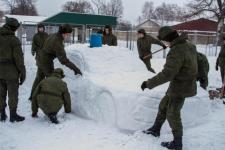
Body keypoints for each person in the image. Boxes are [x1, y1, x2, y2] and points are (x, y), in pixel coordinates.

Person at [141, 27, 198, 150]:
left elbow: (168, 74)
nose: (165, 44)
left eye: (164, 41)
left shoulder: (177, 51)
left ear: (168, 39)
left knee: (172, 114)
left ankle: (177, 143)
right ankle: (156, 129)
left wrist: (148, 83)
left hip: (180, 87)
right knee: (163, 106)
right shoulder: (189, 45)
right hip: (183, 84)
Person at [30, 24, 82, 98]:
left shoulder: (53, 35)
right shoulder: (57, 42)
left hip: (40, 58)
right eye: (68, 34)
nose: (68, 36)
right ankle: (51, 100)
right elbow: (64, 60)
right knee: (52, 81)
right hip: (46, 62)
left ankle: (32, 97)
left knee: (39, 78)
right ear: (64, 33)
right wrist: (75, 69)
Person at [0, 17, 26, 122]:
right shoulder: (14, 40)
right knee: (13, 94)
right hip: (11, 73)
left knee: (0, 93)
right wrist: (23, 73)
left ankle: (2, 114)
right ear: (13, 28)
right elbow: (19, 59)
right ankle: (13, 115)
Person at [29, 23, 48, 100]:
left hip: (47, 58)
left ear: (44, 28)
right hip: (40, 58)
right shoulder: (36, 36)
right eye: (39, 28)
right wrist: (33, 51)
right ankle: (32, 95)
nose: (41, 29)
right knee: (39, 78)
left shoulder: (47, 35)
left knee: (49, 78)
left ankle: (47, 95)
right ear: (38, 29)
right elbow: (33, 44)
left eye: (42, 28)